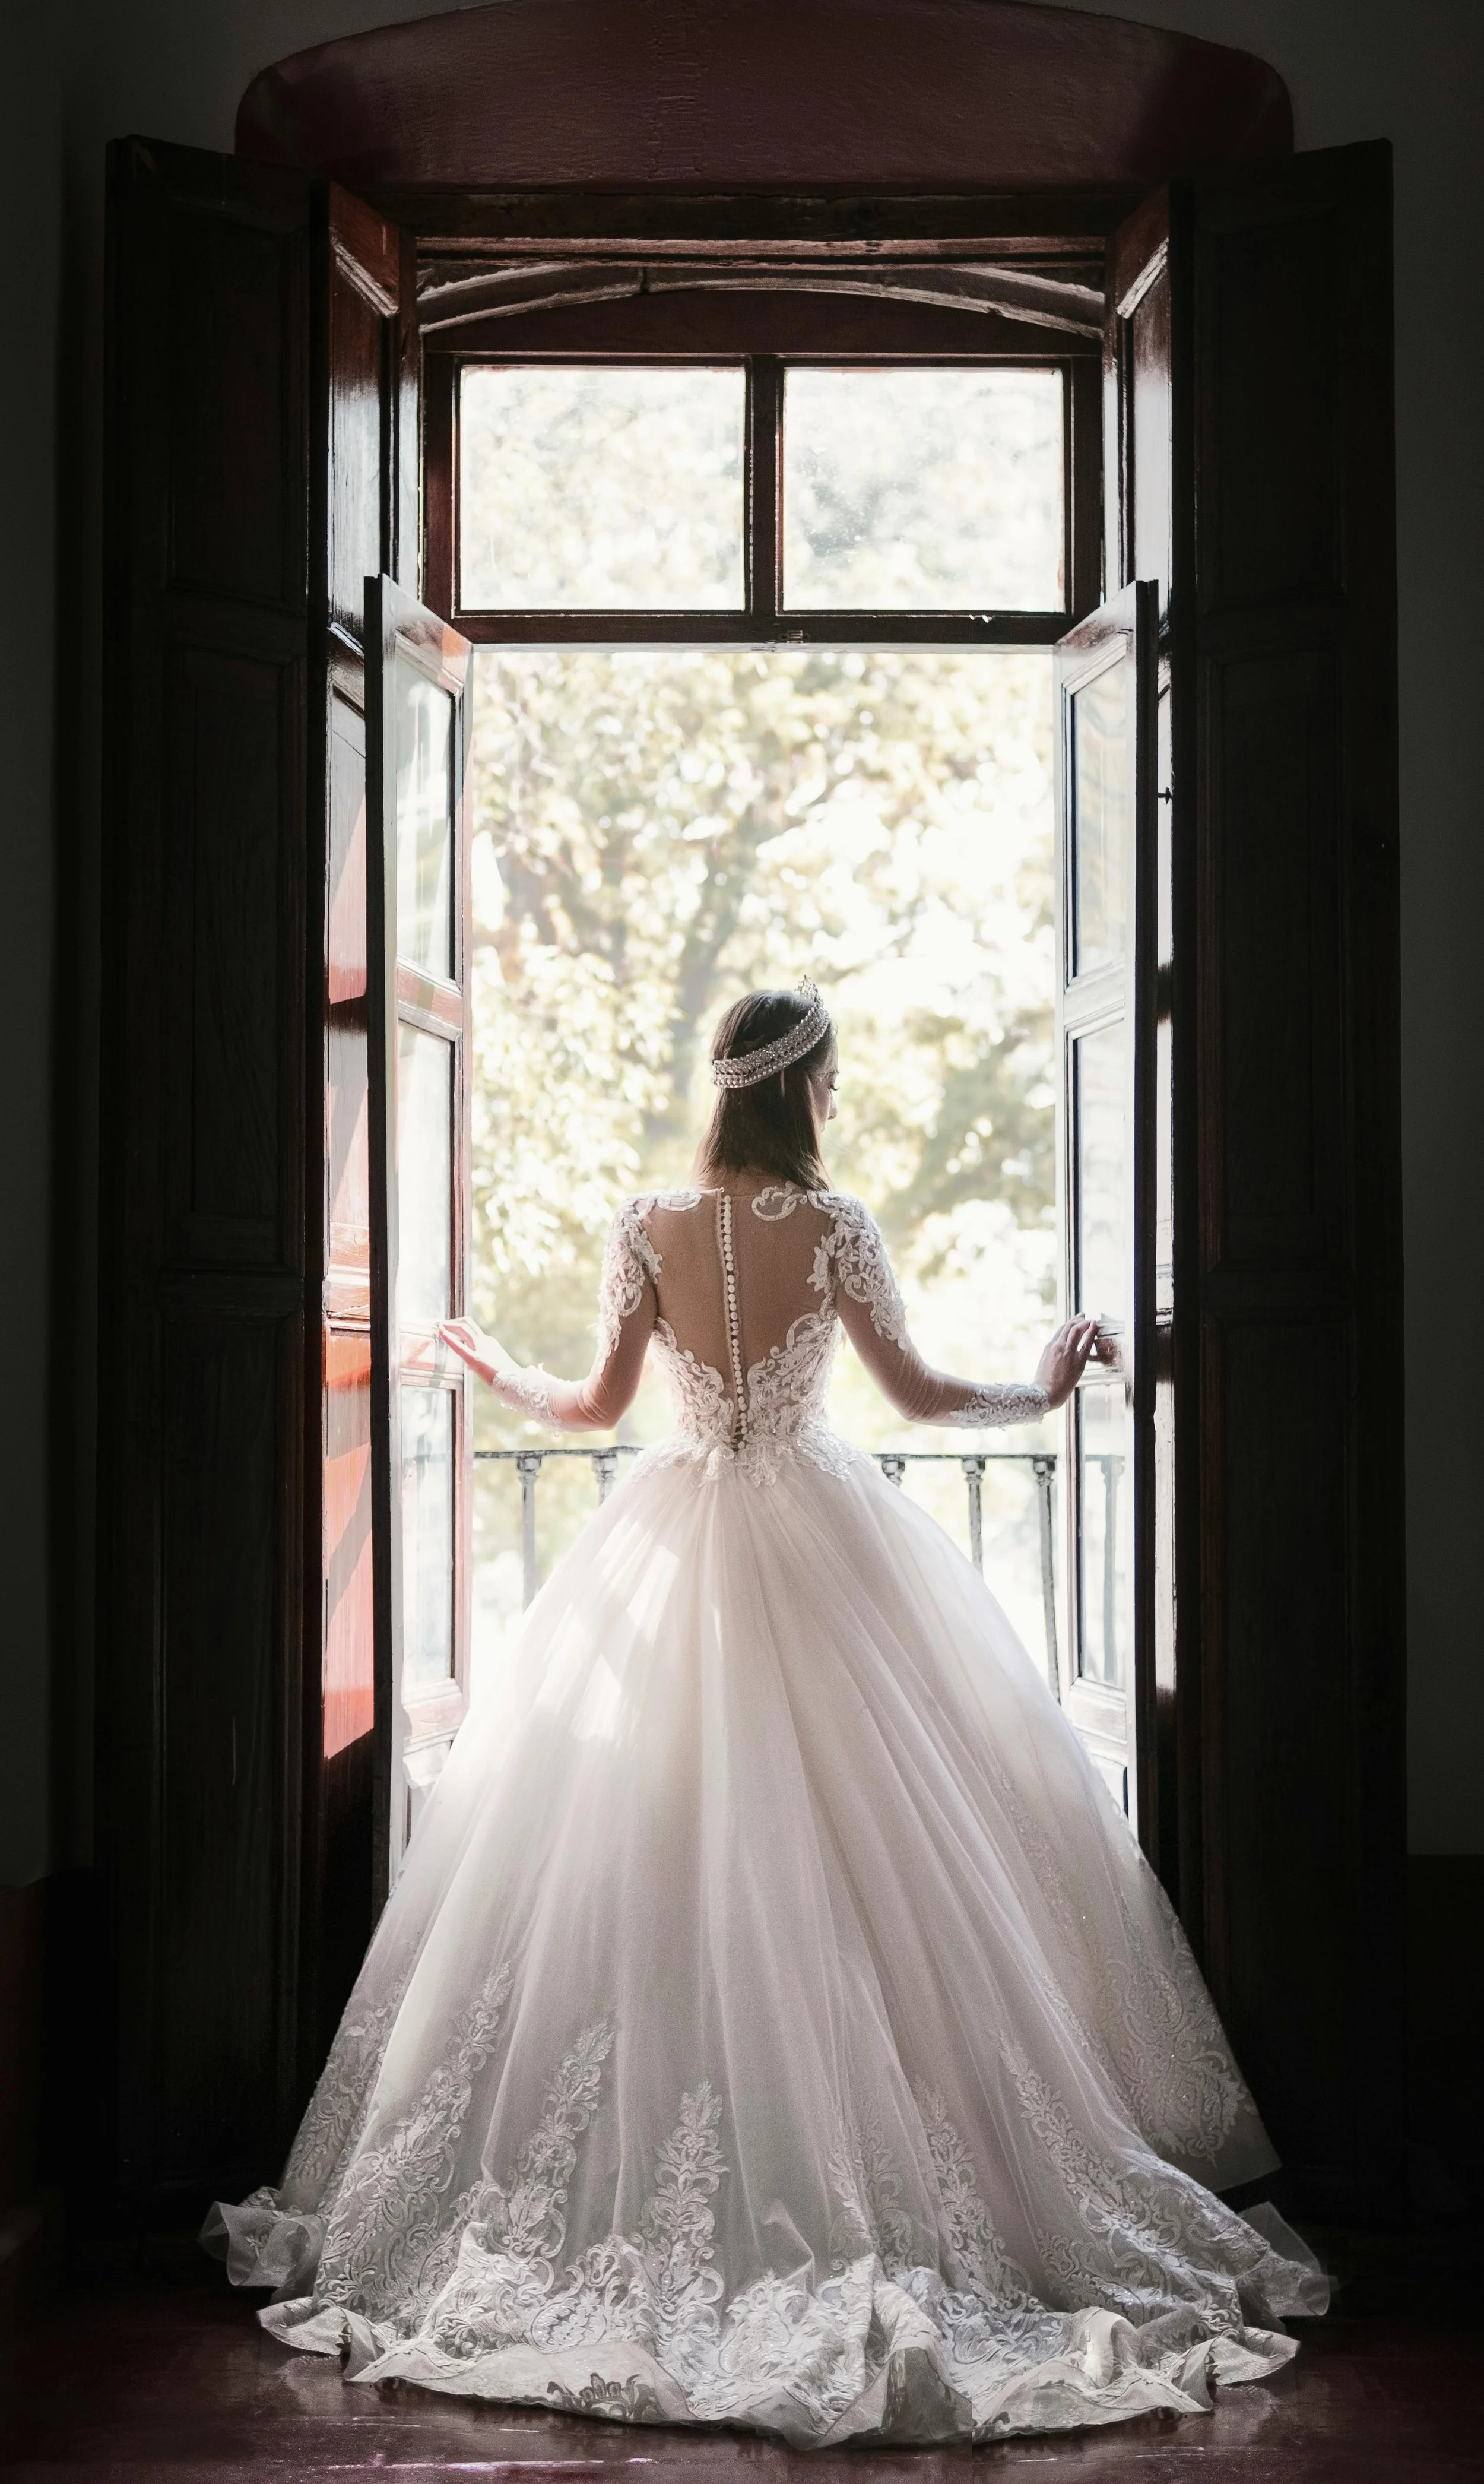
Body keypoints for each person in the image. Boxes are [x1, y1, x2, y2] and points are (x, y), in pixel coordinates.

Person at [205, 981, 1326, 2445]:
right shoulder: (836, 1225)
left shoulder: (645, 1221)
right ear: (803, 1087)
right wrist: (1040, 1391)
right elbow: (919, 1398)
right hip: (821, 1542)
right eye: (836, 1078)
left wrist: (492, 1368)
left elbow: (598, 1405)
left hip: (672, 1539)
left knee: (640, 1857)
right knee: (884, 1865)